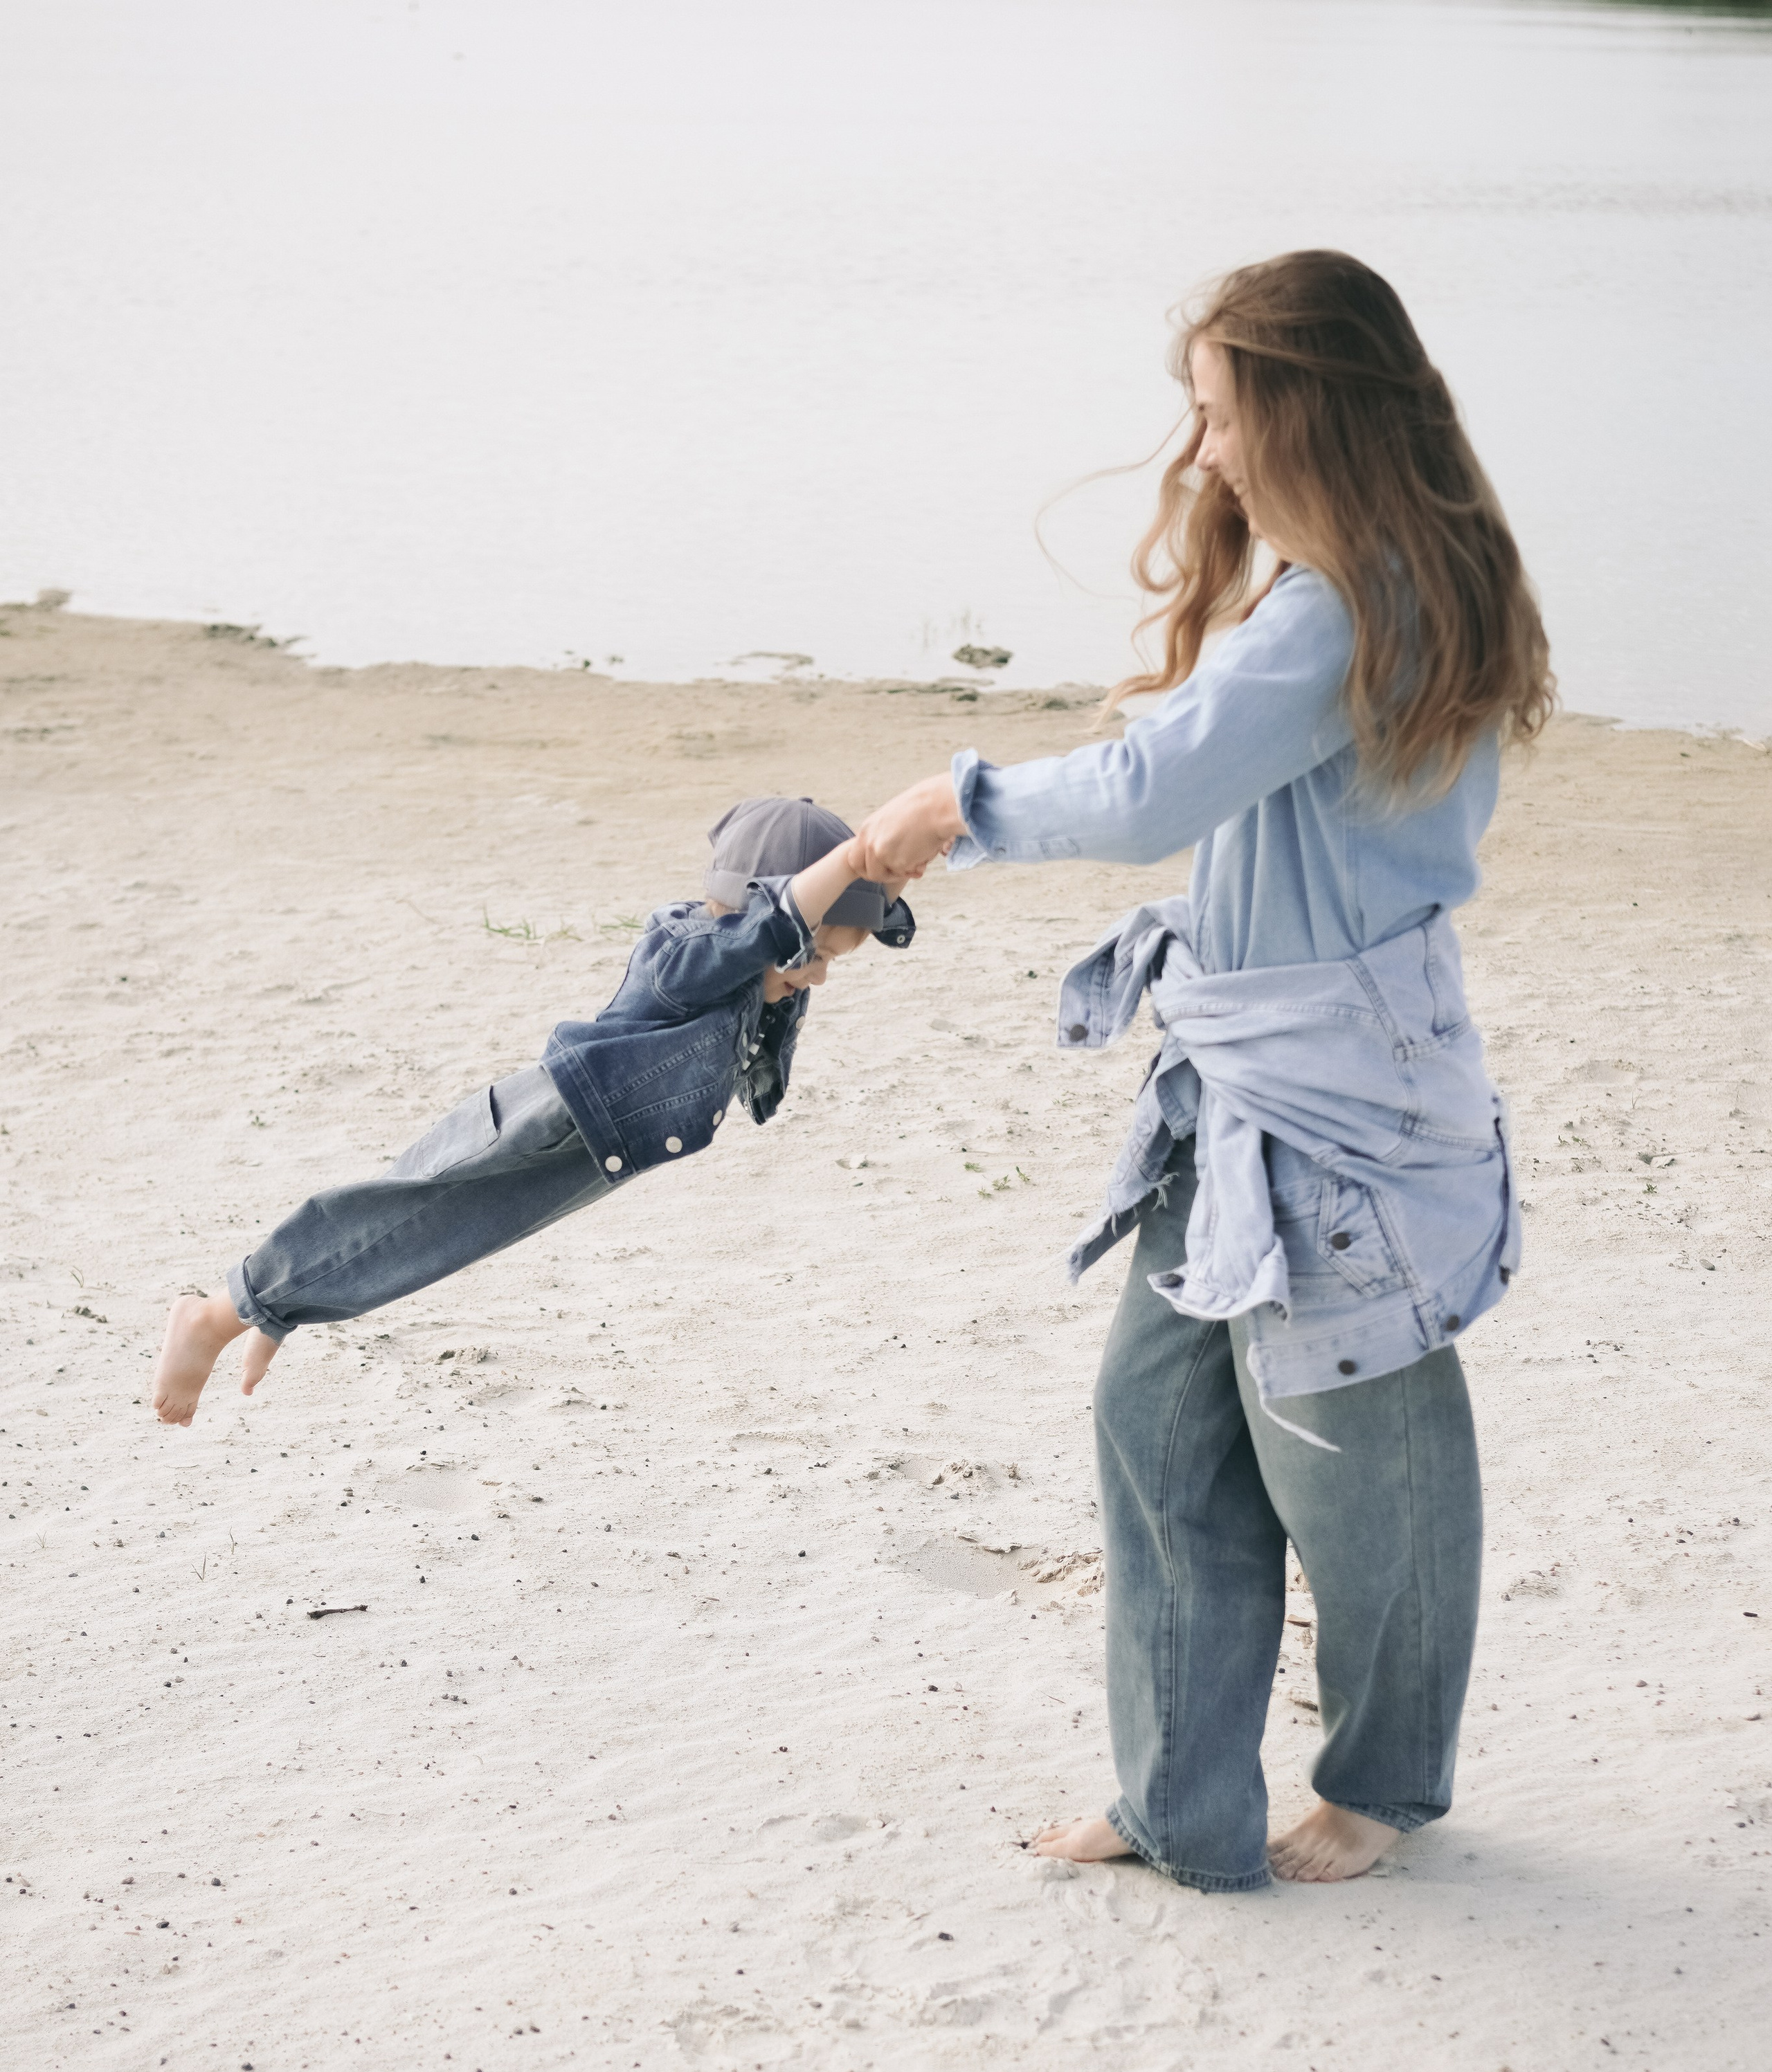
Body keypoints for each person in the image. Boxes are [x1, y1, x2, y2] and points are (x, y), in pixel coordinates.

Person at [856, 250, 1553, 1889]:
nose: (1202, 452)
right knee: (1156, 1422)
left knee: (1357, 1451)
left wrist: (951, 807)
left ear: (1300, 413)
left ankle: (1378, 1783)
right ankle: (1179, 1795)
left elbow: (1153, 791)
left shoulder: (1346, 606)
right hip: (1252, 1078)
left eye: (1219, 415)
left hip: (1335, 1092)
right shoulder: (1368, 577)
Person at [152, 798, 914, 1426]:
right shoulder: (690, 958)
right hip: (556, 1117)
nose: (818, 975)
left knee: (418, 1240)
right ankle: (215, 1318)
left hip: (594, 1142)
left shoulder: (750, 969)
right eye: (817, 955)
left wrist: (904, 856)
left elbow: (803, 933)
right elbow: (767, 927)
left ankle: (270, 1314)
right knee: (400, 1219)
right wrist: (847, 865)